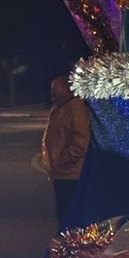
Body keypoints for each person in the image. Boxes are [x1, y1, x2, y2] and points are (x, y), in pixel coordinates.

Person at [40, 76, 90, 232]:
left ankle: (71, 249)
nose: (52, 92)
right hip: (62, 173)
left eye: (55, 89)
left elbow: (81, 140)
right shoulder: (60, 108)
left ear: (67, 89)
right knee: (63, 214)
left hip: (71, 174)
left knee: (69, 215)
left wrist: (64, 161)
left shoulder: (75, 108)